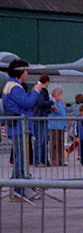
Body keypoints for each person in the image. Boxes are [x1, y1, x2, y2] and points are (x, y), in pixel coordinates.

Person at [3, 59, 46, 199]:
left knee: (20, 159)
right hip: (19, 128)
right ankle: (16, 191)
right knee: (20, 160)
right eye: (25, 70)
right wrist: (36, 91)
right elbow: (27, 103)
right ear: (20, 72)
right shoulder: (15, 87)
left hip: (17, 127)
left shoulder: (11, 86)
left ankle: (17, 190)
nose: (27, 73)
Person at [47, 87, 67, 167]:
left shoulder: (60, 101)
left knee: (60, 144)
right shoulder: (53, 101)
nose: (59, 94)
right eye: (58, 93)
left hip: (61, 125)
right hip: (54, 125)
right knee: (54, 143)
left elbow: (63, 113)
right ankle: (54, 160)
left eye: (60, 93)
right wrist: (60, 104)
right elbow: (59, 111)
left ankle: (61, 160)